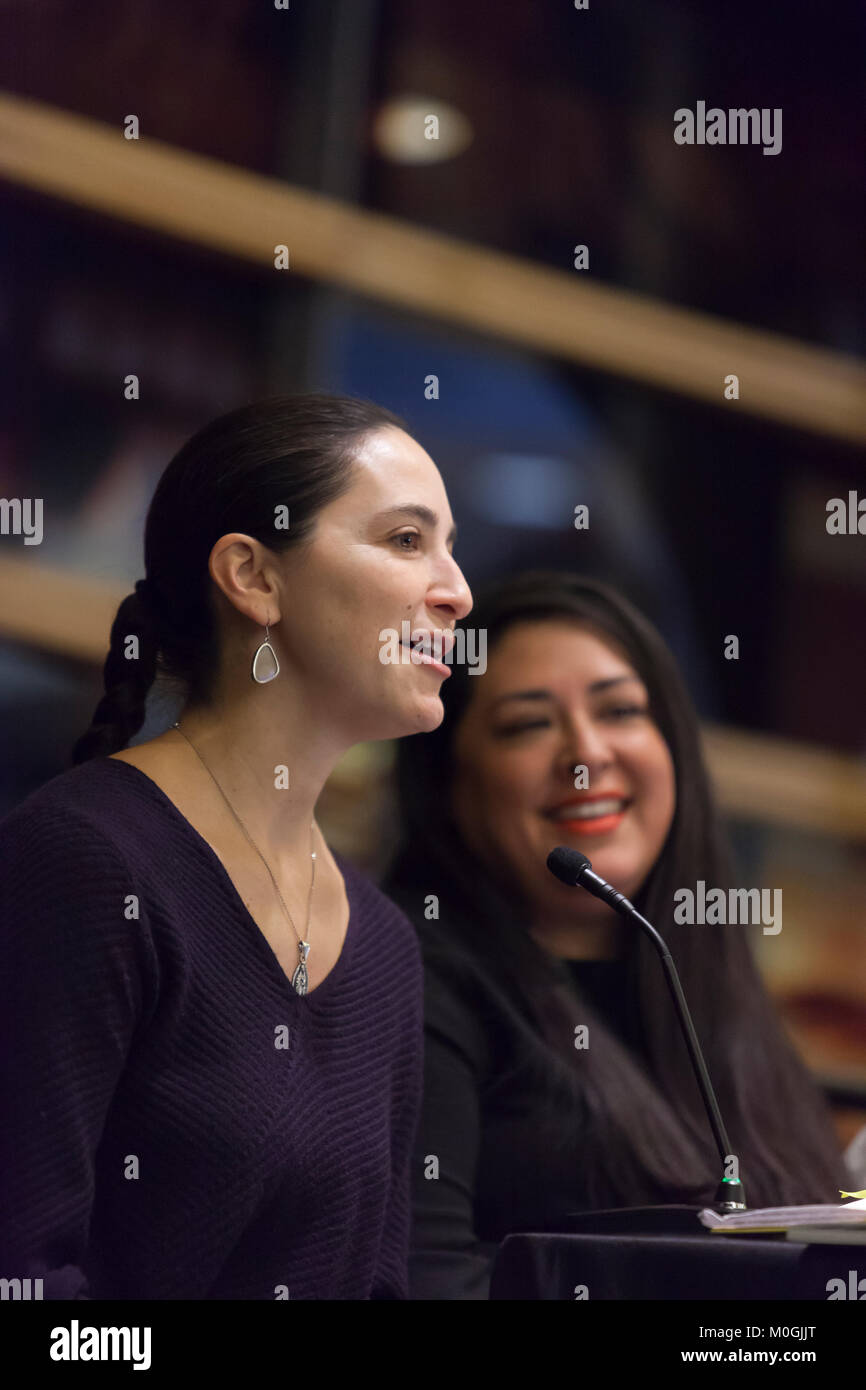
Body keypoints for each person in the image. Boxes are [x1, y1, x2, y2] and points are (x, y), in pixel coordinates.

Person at [0, 393, 472, 1300]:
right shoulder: (84, 860)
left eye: (448, 547)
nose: (457, 590)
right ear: (253, 576)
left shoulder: (382, 945)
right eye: (407, 541)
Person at [383, 570, 849, 1299]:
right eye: (528, 724)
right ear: (448, 781)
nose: (585, 754)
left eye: (621, 711)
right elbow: (428, 1282)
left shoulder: (699, 974)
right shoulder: (411, 973)